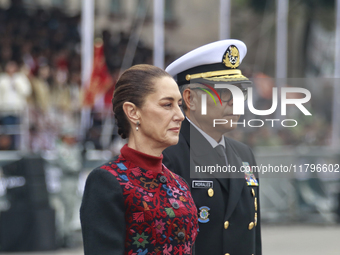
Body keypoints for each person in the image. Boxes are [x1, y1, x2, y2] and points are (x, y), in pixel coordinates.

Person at [80, 64, 198, 255]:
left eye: (179, 105)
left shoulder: (179, 183)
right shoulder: (107, 181)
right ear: (133, 112)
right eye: (167, 105)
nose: (180, 115)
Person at [162, 39, 262, 255]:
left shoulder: (244, 154)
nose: (235, 102)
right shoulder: (169, 156)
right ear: (190, 99)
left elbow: (254, 240)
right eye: (224, 93)